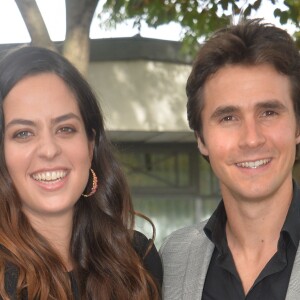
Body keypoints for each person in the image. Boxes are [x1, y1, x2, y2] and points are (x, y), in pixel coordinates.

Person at [0, 45, 162, 299]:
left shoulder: (137, 259)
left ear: (90, 143)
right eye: (23, 133)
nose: (49, 150)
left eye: (65, 128)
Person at [160, 18, 300, 300]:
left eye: (269, 113)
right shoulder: (172, 258)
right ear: (201, 139)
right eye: (228, 117)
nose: (252, 138)